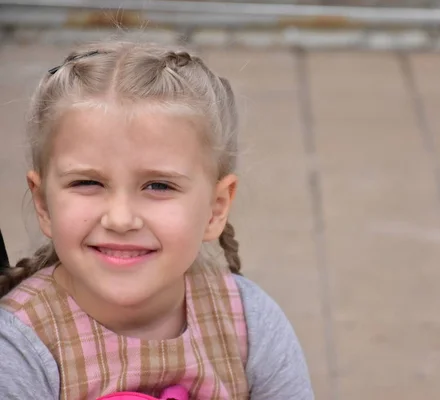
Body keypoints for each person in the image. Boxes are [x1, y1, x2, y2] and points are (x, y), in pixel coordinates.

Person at [0, 42, 314, 400]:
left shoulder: (250, 321)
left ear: (215, 208)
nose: (120, 219)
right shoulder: (20, 348)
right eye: (87, 182)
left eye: (159, 185)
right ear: (43, 204)